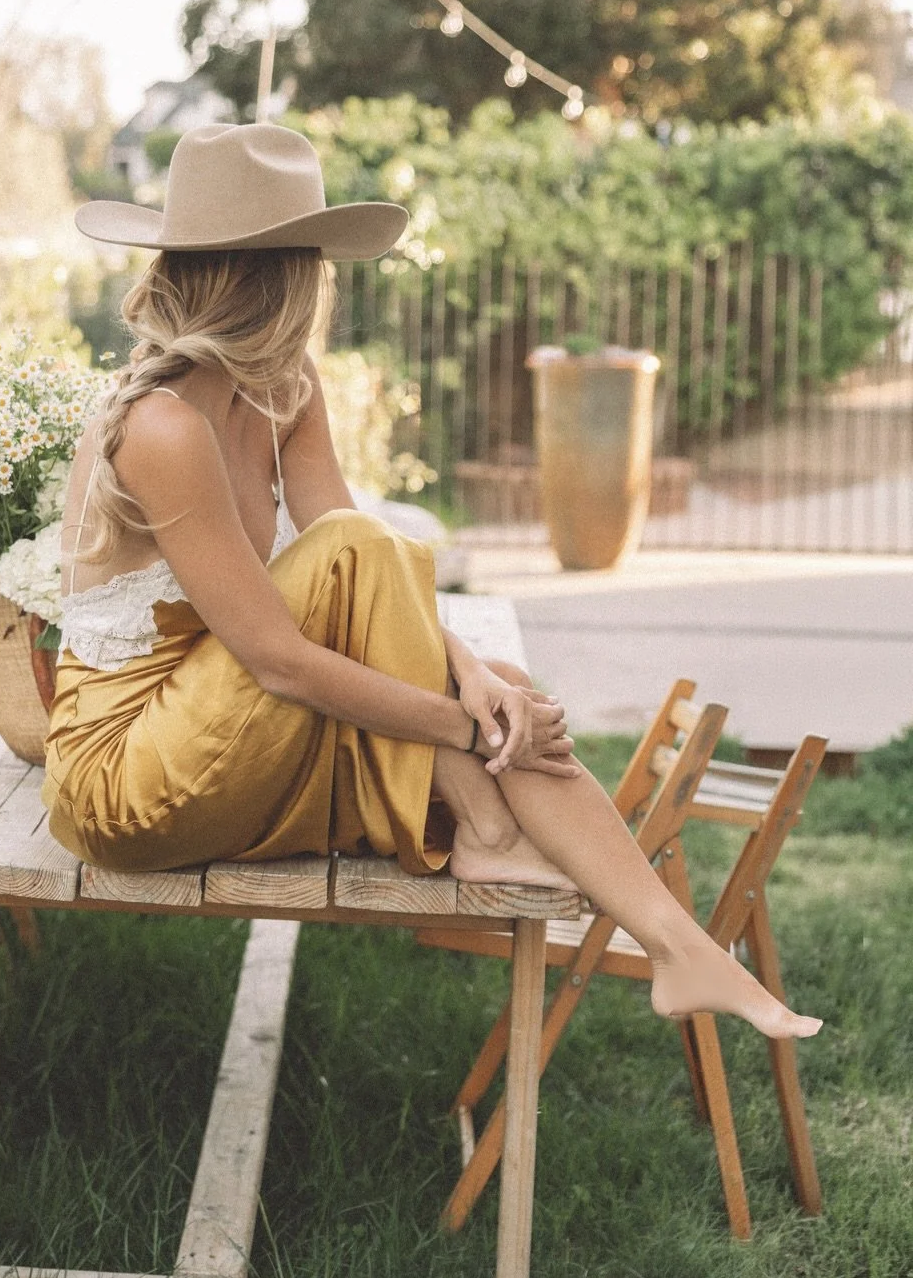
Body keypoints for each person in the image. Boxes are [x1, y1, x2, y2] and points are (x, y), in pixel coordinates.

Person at [44, 123, 820, 1041]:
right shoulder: (161, 425)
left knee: (504, 683)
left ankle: (676, 946)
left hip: (222, 725)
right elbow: (283, 658)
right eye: (319, 264)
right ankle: (491, 838)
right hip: (129, 775)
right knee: (384, 582)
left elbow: (366, 594)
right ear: (289, 276)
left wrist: (478, 676)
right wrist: (461, 721)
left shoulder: (282, 386)